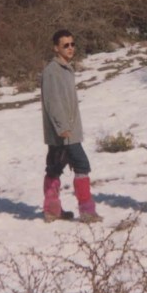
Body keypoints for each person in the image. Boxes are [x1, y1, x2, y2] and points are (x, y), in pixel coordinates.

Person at [40, 29, 102, 224]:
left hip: (67, 130)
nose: (70, 48)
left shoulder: (66, 68)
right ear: (56, 48)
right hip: (64, 132)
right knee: (81, 165)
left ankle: (52, 210)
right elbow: (52, 102)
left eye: (72, 44)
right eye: (65, 45)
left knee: (55, 167)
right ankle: (87, 211)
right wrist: (62, 127)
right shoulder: (52, 71)